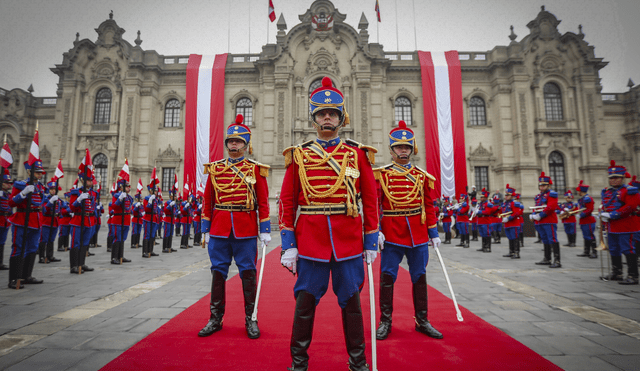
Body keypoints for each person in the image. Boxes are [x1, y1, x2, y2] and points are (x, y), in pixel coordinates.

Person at [279, 77, 377, 371]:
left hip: (347, 243)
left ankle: (357, 362)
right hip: (310, 243)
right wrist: (289, 245)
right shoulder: (299, 155)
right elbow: (287, 202)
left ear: (341, 118)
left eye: (332, 113)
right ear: (314, 119)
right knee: (305, 304)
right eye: (321, 113)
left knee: (351, 303)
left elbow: (370, 200)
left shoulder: (356, 154)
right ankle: (298, 363)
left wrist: (371, 240)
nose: (327, 117)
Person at [198, 114, 271, 340]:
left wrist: (265, 229)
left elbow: (263, 202)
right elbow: (208, 201)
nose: (234, 144)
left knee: (248, 274)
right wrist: (205, 228)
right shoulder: (215, 169)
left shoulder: (256, 170)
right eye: (231, 141)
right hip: (220, 230)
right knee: (218, 273)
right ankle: (215, 318)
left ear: (246, 145)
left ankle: (251, 318)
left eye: (238, 141)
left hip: (245, 230)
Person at [374, 120, 443, 341]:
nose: (403, 150)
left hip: (418, 234)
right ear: (392, 150)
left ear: (412, 149)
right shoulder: (381, 175)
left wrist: (433, 233)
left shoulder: (422, 176)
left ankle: (422, 321)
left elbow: (428, 205)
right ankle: (385, 321)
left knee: (419, 277)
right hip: (392, 234)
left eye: (407, 147)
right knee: (387, 278)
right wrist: (376, 229)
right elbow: (374, 204)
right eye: (399, 147)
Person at [8, 161, 46, 288]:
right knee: (18, 248)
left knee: (32, 248)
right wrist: (23, 193)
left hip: (36, 220)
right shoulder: (20, 185)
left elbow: (41, 203)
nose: (40, 175)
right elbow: (11, 203)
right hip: (22, 219)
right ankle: (14, 278)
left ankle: (26, 276)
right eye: (37, 172)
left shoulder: (40, 187)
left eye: (41, 173)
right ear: (29, 172)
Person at [599, 161, 639, 284]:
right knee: (614, 249)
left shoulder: (630, 191)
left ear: (622, 178)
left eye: (616, 178)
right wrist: (603, 212)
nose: (614, 180)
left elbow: (630, 207)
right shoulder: (608, 191)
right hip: (612, 226)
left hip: (626, 225)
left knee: (628, 249)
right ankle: (617, 272)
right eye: (611, 178)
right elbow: (606, 205)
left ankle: (633, 275)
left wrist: (612, 214)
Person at [67, 169, 96, 274]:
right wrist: (78, 200)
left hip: (89, 221)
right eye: (88, 180)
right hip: (78, 220)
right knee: (76, 243)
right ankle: (74, 265)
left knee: (85, 243)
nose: (91, 182)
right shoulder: (76, 192)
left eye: (91, 180)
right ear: (82, 181)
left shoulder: (93, 193)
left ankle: (81, 263)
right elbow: (71, 208)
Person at [531, 172, 561, 268]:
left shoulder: (552, 194)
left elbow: (551, 207)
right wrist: (533, 215)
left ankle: (557, 260)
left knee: (552, 239)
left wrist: (540, 215)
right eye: (540, 185)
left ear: (548, 185)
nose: (542, 187)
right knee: (545, 239)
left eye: (544, 185)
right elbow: (537, 207)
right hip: (540, 221)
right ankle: (547, 258)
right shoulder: (539, 196)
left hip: (549, 220)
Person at [38, 180, 62, 263]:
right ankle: (41, 257)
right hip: (46, 221)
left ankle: (50, 256)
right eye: (51, 189)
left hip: (55, 221)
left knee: (51, 239)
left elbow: (59, 210)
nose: (53, 191)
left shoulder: (58, 199)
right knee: (44, 239)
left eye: (54, 189)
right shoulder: (46, 198)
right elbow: (44, 210)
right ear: (49, 190)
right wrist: (50, 202)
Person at [111, 178, 133, 264]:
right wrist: (119, 199)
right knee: (117, 238)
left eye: (128, 186)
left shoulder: (129, 197)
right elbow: (114, 207)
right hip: (118, 220)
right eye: (127, 186)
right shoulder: (116, 196)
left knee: (123, 239)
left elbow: (129, 208)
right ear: (121, 187)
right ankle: (114, 257)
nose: (128, 188)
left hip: (126, 221)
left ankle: (120, 256)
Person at [575, 181, 597, 258]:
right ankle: (586, 251)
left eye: (578, 191)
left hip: (588, 220)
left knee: (590, 236)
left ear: (581, 191)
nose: (577, 192)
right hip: (584, 220)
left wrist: (582, 214)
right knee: (585, 236)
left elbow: (590, 209)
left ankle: (594, 252)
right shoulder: (583, 199)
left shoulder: (588, 198)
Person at [501, 184, 523, 259]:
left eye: (508, 195)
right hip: (507, 224)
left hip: (513, 223)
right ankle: (511, 251)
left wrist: (509, 218)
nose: (506, 196)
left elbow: (517, 213)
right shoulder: (505, 203)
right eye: (506, 195)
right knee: (510, 237)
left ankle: (516, 252)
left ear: (512, 196)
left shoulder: (514, 203)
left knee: (515, 237)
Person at [477, 188, 497, 253]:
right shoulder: (480, 204)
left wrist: (479, 212)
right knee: (482, 234)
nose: (481, 198)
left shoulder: (488, 204)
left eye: (482, 197)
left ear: (486, 197)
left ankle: (488, 247)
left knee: (487, 234)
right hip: (480, 221)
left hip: (486, 221)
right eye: (480, 197)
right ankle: (483, 246)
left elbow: (487, 212)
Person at [142, 182, 159, 258]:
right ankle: (145, 251)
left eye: (156, 191)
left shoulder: (155, 199)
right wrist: (149, 202)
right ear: (150, 191)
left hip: (154, 219)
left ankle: (150, 251)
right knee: (147, 234)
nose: (156, 192)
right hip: (148, 218)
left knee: (152, 235)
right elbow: (146, 209)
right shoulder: (146, 198)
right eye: (155, 191)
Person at [0, 169, 12, 270]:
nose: (8, 185)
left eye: (9, 183)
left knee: (2, 242)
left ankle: (0, 262)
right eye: (6, 183)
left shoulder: (8, 195)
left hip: (5, 220)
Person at [162, 188, 178, 253]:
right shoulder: (167, 202)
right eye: (174, 196)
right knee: (166, 233)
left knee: (171, 233)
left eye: (175, 196)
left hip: (172, 219)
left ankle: (169, 247)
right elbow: (165, 210)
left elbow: (175, 211)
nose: (175, 197)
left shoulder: (175, 203)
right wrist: (170, 205)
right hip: (167, 219)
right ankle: (165, 247)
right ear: (171, 196)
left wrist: (177, 213)